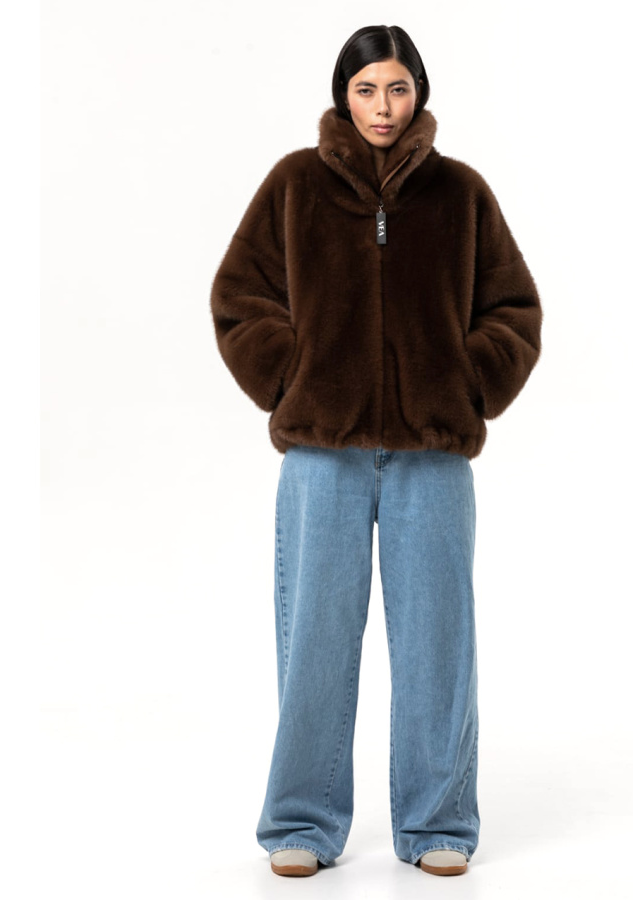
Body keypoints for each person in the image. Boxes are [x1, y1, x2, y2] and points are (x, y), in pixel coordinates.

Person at [209, 24, 543, 878]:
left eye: (397, 88)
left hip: (432, 454)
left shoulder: (461, 194)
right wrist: (292, 378)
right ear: (343, 95)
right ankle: (301, 821)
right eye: (366, 90)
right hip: (322, 454)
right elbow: (240, 297)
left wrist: (468, 383)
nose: (382, 107)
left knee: (437, 639)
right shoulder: (294, 184)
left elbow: (512, 308)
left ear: (418, 93)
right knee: (314, 638)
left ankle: (438, 822)